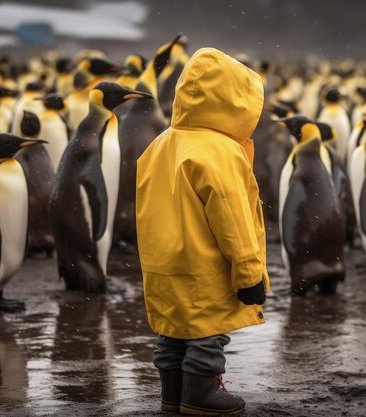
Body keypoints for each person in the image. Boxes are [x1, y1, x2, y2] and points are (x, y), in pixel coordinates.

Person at [136, 48, 269, 416]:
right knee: (207, 330)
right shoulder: (219, 151)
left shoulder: (158, 144)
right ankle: (200, 393)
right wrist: (248, 273)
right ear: (234, 101)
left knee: (175, 329)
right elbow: (232, 218)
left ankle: (172, 394)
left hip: (164, 263)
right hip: (204, 264)